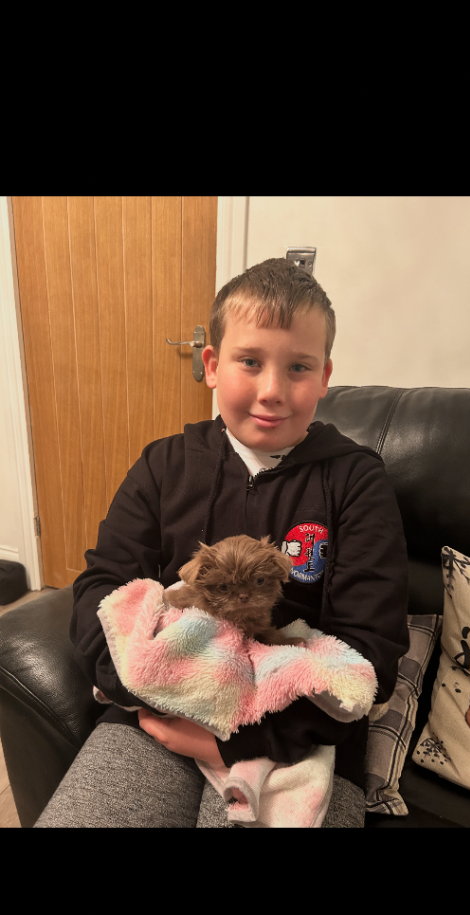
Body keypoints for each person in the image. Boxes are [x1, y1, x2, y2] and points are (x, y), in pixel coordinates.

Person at [34, 258, 409, 828]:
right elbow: (102, 593)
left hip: (298, 738)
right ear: (211, 365)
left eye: (299, 367)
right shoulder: (163, 465)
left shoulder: (357, 481)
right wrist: (158, 698)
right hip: (156, 714)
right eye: (250, 361)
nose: (272, 391)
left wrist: (238, 739)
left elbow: (369, 652)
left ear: (325, 376)